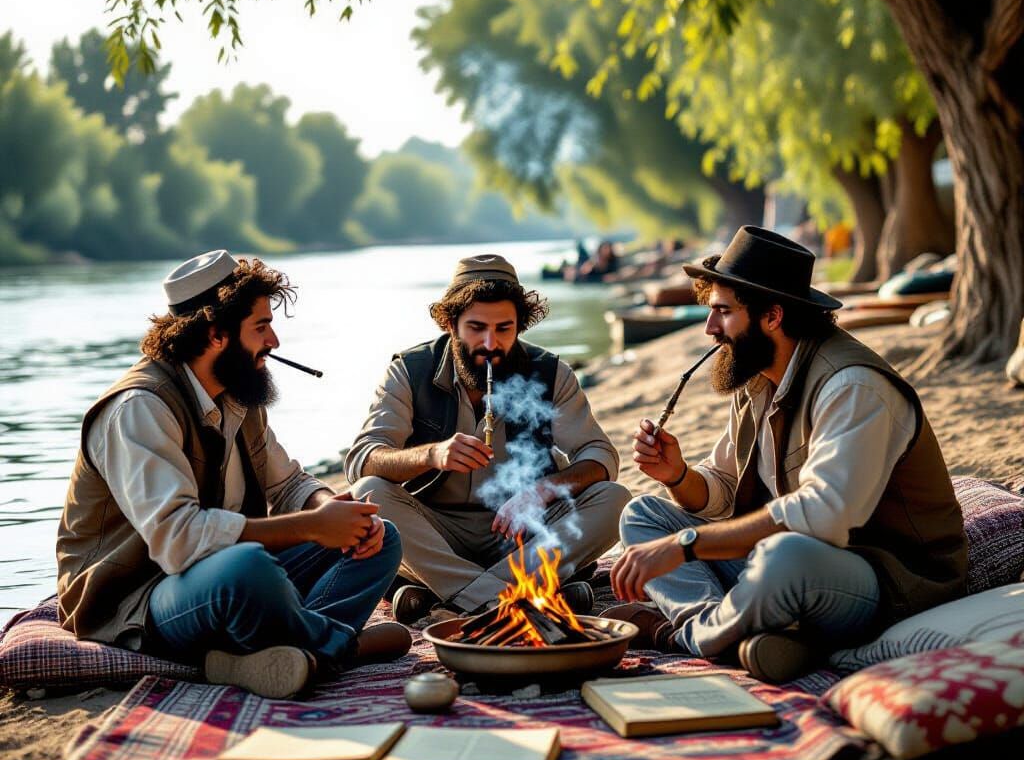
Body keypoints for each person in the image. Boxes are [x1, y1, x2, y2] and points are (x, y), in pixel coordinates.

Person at [603, 226, 966, 683]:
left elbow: (823, 517)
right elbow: (724, 490)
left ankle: (679, 635)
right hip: (791, 564)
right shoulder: (759, 375)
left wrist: (684, 545)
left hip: (888, 579)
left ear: (772, 316)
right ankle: (728, 628)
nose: (710, 328)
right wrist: (677, 476)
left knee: (783, 558)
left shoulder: (853, 386)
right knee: (643, 516)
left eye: (723, 312)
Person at [57, 250, 410, 699]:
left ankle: (282, 655)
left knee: (380, 537)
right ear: (216, 334)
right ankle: (342, 647)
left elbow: (289, 484)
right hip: (138, 598)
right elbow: (180, 540)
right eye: (261, 327)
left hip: (216, 577)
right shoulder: (139, 409)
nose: (274, 341)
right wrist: (311, 527)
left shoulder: (237, 395)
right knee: (247, 568)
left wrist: (334, 511)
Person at [346, 254, 629, 624]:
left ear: (520, 326)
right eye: (476, 328)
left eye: (504, 329)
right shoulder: (409, 372)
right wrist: (431, 455)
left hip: (524, 533)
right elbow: (363, 460)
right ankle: (515, 596)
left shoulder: (550, 373)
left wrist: (544, 490)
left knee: (614, 499)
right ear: (450, 323)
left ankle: (456, 596)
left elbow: (600, 455)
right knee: (368, 492)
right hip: (437, 535)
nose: (490, 343)